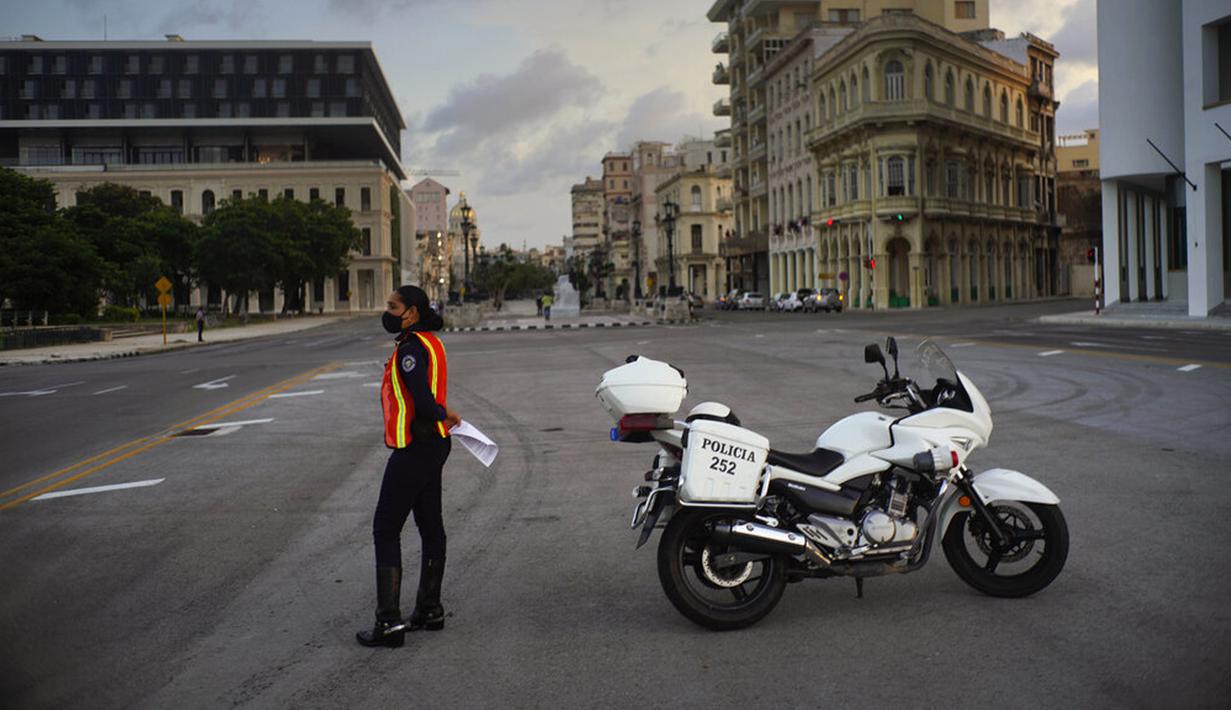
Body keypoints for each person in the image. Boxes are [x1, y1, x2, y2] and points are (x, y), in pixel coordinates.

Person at [357, 285, 462, 648]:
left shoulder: (410, 349)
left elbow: (421, 398)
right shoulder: (431, 342)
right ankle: (429, 610)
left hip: (416, 445)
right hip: (434, 444)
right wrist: (441, 417)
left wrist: (443, 413)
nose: (387, 311)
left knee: (385, 527)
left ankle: (388, 622)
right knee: (431, 526)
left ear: (412, 312)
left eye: (393, 305)